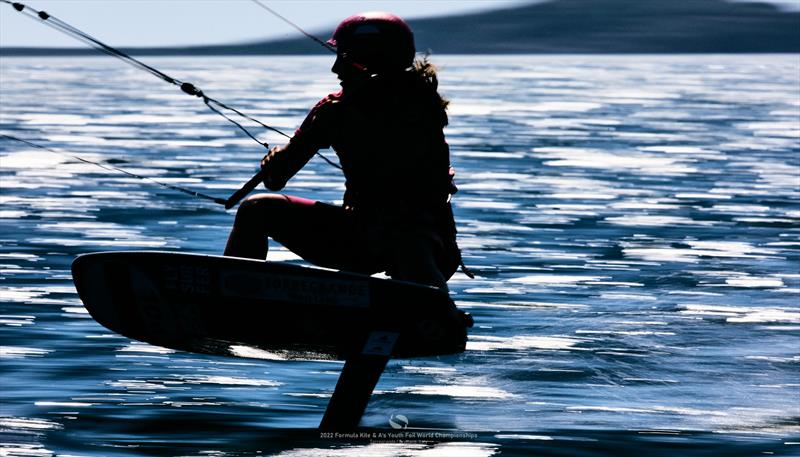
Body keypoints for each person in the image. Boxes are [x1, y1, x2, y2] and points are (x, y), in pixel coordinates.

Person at [224, 12, 466, 289]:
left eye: (345, 58)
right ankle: (235, 296)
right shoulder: (344, 108)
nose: (336, 69)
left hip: (422, 242)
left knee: (408, 239)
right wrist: (278, 160)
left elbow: (276, 177)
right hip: (362, 236)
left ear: (374, 61)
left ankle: (436, 314)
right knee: (256, 210)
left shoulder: (412, 106)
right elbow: (276, 178)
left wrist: (278, 161)